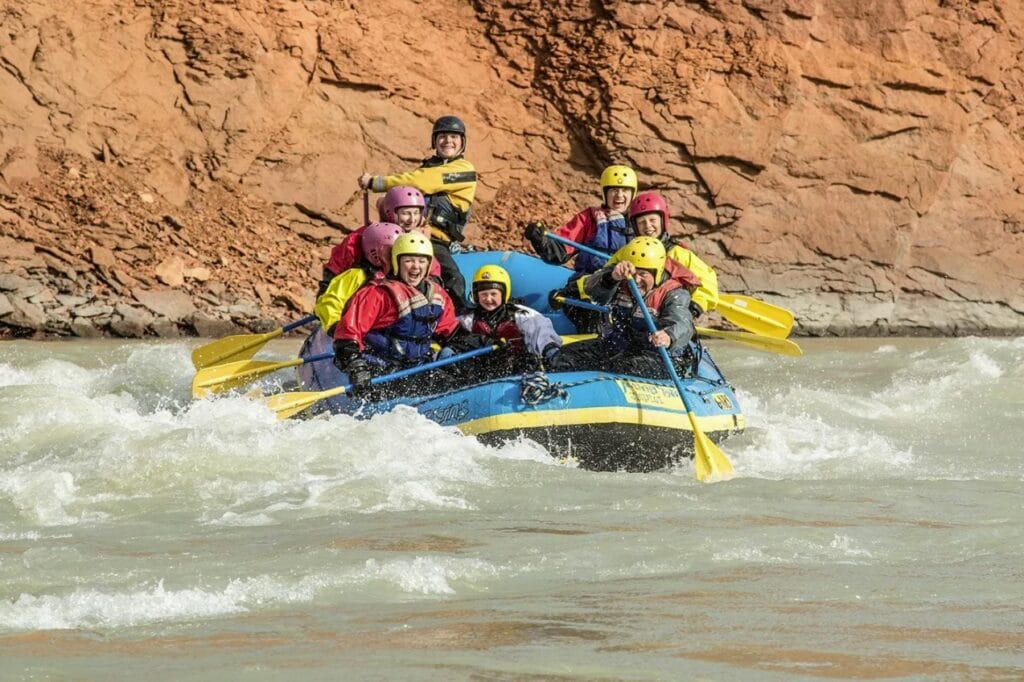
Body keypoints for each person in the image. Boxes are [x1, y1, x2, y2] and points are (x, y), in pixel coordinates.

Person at [358, 115, 476, 311]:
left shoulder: (464, 170)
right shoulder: (427, 167)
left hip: (436, 240)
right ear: (434, 141)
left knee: (450, 275)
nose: (448, 141)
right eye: (443, 136)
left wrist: (376, 182)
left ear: (462, 142)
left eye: (454, 137)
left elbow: (420, 181)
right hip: (407, 235)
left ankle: (459, 319)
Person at [548, 237, 703, 379]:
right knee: (562, 358)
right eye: (634, 272)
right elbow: (594, 293)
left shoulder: (674, 293)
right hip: (623, 345)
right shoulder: (620, 281)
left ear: (657, 273)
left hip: (662, 356)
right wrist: (611, 278)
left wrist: (668, 336)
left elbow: (682, 323)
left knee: (622, 367)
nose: (636, 280)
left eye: (643, 274)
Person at [332, 232, 461, 399]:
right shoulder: (377, 294)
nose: (416, 267)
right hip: (379, 368)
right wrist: (357, 366)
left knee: (453, 380)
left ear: (428, 265)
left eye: (422, 261)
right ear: (396, 262)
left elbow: (452, 334)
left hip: (417, 367)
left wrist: (482, 343)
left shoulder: (439, 296)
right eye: (409, 261)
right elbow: (347, 336)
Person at [523, 164, 639, 331]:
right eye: (613, 190)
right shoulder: (590, 219)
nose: (619, 195)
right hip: (591, 285)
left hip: (627, 289)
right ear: (605, 193)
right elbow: (559, 251)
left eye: (624, 190)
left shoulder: (640, 222)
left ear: (632, 193)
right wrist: (540, 240)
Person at [318, 186, 439, 297]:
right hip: (366, 292)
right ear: (390, 212)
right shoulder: (365, 235)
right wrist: (326, 292)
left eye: (416, 213)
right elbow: (337, 265)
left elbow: (433, 271)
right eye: (405, 213)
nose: (412, 220)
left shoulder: (420, 238)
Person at [446, 265, 562, 380]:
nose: (488, 299)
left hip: (518, 368)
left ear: (503, 294)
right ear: (476, 296)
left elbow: (541, 332)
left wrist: (550, 350)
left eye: (493, 294)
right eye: (484, 294)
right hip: (482, 370)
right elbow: (456, 336)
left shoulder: (521, 315)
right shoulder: (468, 319)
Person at [627, 190, 719, 317]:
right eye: (642, 222)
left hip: (670, 317)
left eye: (652, 220)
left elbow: (708, 280)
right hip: (636, 315)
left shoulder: (678, 254)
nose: (648, 226)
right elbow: (607, 270)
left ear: (662, 221)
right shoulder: (629, 252)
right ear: (635, 226)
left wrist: (695, 306)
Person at [314, 222, 403, 334]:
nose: (397, 254)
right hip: (350, 333)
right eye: (391, 251)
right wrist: (336, 328)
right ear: (374, 253)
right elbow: (329, 302)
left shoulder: (404, 277)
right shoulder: (356, 276)